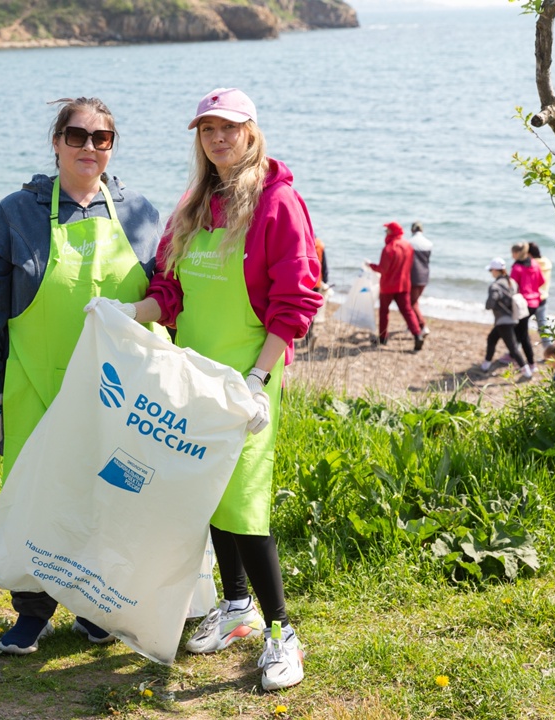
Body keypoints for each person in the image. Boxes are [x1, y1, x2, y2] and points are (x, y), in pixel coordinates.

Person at [118, 87, 320, 691]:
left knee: (245, 502)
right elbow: (170, 289)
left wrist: (258, 379)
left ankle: (282, 634)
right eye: (208, 129)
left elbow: (296, 300)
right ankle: (236, 608)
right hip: (196, 374)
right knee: (207, 491)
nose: (218, 138)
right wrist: (129, 313)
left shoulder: (278, 202)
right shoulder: (194, 204)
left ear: (251, 132)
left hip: (250, 377)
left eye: (229, 127)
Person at [0, 96, 161, 656]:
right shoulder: (16, 214)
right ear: (56, 143)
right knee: (36, 498)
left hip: (115, 394)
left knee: (107, 496)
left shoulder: (140, 214)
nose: (89, 147)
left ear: (112, 147)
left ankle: (95, 606)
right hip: (36, 386)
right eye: (76, 136)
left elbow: (167, 297)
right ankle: (32, 612)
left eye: (102, 138)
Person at [368, 222, 425, 351]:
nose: (386, 233)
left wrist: (371, 266)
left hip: (388, 285)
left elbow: (383, 269)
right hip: (403, 284)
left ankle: (383, 338)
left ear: (391, 232)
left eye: (387, 231)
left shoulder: (389, 248)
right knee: (407, 311)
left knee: (384, 311)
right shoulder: (408, 246)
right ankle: (417, 335)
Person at [481, 258, 530, 378]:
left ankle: (526, 371)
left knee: (513, 348)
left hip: (503, 321)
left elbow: (490, 304)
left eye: (491, 270)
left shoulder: (495, 286)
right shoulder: (512, 282)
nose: (491, 273)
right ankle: (486, 364)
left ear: (495, 270)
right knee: (491, 339)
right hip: (514, 318)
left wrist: (489, 304)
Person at [509, 242, 545, 374]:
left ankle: (530, 363)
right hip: (535, 302)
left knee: (523, 334)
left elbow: (512, 287)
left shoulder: (516, 267)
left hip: (523, 304)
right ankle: (513, 355)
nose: (512, 255)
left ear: (517, 253)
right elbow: (541, 281)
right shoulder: (534, 263)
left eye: (512, 253)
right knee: (519, 331)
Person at [528, 242, 553, 350]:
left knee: (521, 326)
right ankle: (550, 351)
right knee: (543, 327)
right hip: (543, 298)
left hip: (532, 300)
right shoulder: (546, 262)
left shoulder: (532, 264)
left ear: (529, 253)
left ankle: (514, 352)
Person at [409, 221, 432, 336]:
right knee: (415, 300)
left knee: (411, 303)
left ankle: (422, 326)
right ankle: (412, 324)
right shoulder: (428, 243)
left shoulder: (409, 243)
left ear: (412, 230)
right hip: (425, 276)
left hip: (413, 276)